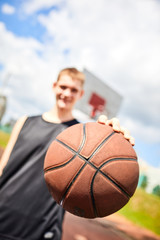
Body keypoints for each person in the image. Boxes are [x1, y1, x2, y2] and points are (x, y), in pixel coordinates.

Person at [0, 67, 134, 240]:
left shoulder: (82, 136)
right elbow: (3, 166)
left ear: (81, 95)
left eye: (73, 90)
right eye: (63, 87)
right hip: (3, 210)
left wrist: (114, 141)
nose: (67, 93)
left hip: (41, 226)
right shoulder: (25, 121)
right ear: (55, 86)